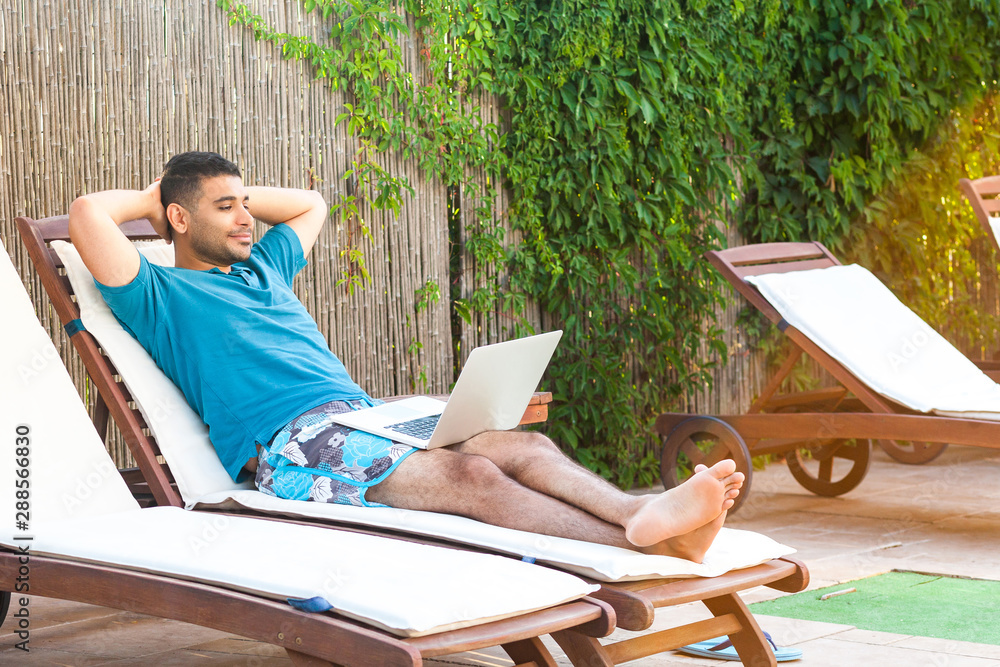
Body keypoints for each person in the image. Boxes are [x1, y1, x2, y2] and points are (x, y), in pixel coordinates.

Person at [68, 151, 743, 562]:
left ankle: (637, 514)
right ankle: (644, 542)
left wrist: (226, 199)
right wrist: (162, 200)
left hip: (364, 416)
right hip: (296, 442)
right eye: (227, 208)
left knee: (520, 446)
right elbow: (88, 214)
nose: (248, 219)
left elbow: (311, 204)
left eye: (247, 204)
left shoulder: (262, 267)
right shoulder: (157, 291)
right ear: (181, 220)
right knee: (473, 478)